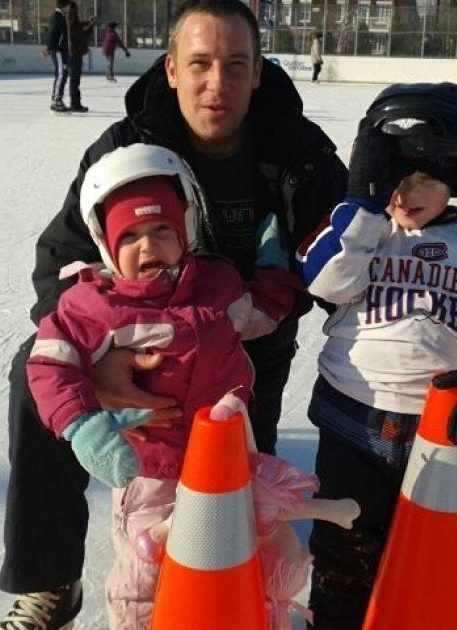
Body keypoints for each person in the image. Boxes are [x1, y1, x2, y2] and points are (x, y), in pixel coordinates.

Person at [0, 0, 348, 627]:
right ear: (173, 69)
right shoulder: (129, 147)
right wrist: (103, 364)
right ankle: (52, 579)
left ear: (259, 71)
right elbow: (60, 260)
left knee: (231, 520)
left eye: (236, 65)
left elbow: (343, 261)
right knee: (39, 372)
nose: (218, 83)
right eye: (201, 63)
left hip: (242, 360)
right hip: (135, 355)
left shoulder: (301, 155)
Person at [295, 82, 457, 629]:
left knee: (425, 536)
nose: (406, 193)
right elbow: (324, 278)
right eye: (393, 178)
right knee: (346, 541)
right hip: (350, 418)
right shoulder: (362, 231)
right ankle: (336, 618)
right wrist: (360, 203)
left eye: (426, 178)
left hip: (437, 426)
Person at [26, 143, 299, 628]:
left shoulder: (217, 284)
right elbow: (50, 361)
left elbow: (259, 316)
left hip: (227, 463)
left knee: (244, 556)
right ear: (107, 247)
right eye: (129, 236)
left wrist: (274, 266)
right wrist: (82, 424)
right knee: (145, 575)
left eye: (160, 229)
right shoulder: (93, 305)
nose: (147, 246)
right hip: (153, 471)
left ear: (186, 230)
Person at [66, 0, 96, 113]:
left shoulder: (71, 22)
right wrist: (91, 26)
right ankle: (75, 103)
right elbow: (83, 36)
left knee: (75, 80)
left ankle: (75, 102)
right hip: (75, 54)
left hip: (75, 53)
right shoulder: (72, 23)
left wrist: (88, 22)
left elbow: (79, 26)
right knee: (75, 80)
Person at [42, 0, 70, 113]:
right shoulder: (57, 17)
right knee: (61, 74)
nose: (68, 8)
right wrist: (50, 48)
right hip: (58, 51)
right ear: (63, 6)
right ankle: (56, 100)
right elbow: (53, 33)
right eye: (67, 6)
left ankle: (59, 98)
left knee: (63, 74)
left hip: (62, 50)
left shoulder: (61, 17)